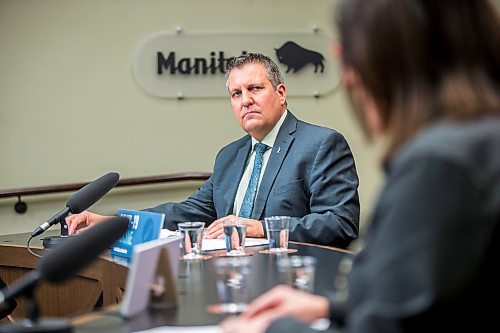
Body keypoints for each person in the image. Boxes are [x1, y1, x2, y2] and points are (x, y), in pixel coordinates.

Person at [220, 0, 500, 332]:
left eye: (351, 48)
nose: (346, 71)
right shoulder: (480, 142)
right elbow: (430, 302)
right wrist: (330, 307)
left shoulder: (438, 167)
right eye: (236, 93)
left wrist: (269, 329)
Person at [66, 53, 360, 248]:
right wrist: (111, 222)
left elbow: (340, 224)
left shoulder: (321, 144)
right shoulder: (229, 156)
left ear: (280, 93)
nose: (245, 100)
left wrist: (259, 228)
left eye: (255, 89)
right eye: (236, 94)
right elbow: (184, 212)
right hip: (229, 278)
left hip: (294, 286)